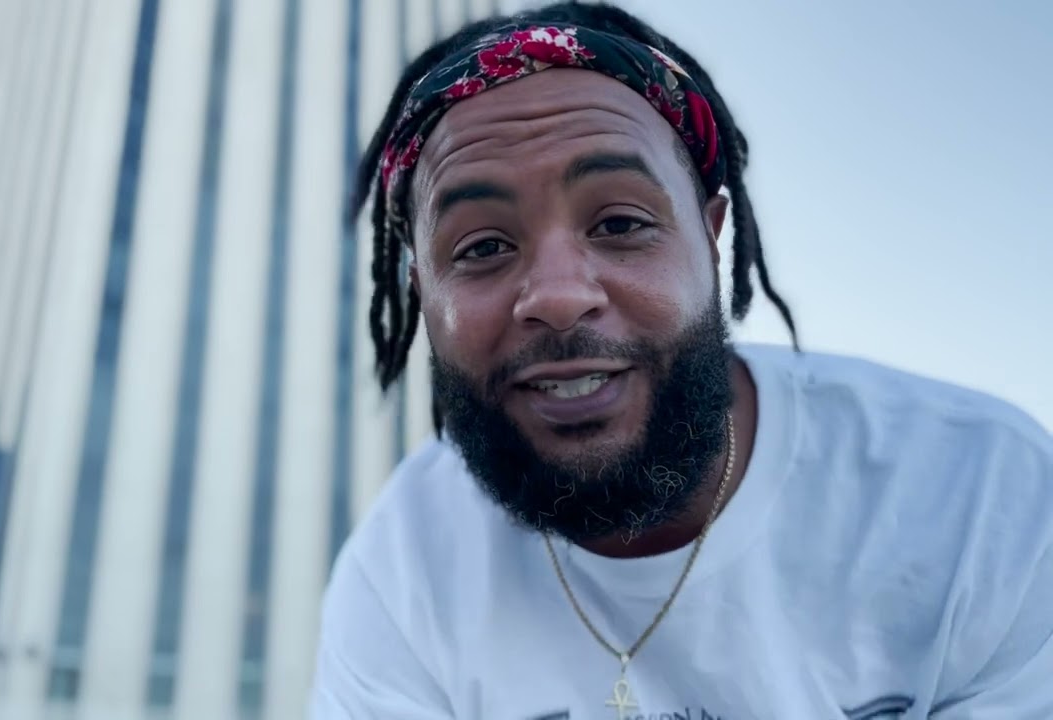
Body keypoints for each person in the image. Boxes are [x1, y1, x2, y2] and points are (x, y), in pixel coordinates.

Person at [310, 2, 1053, 718]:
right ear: (423, 290)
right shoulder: (404, 569)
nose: (559, 297)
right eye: (482, 247)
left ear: (710, 236)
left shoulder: (982, 499)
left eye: (620, 223)